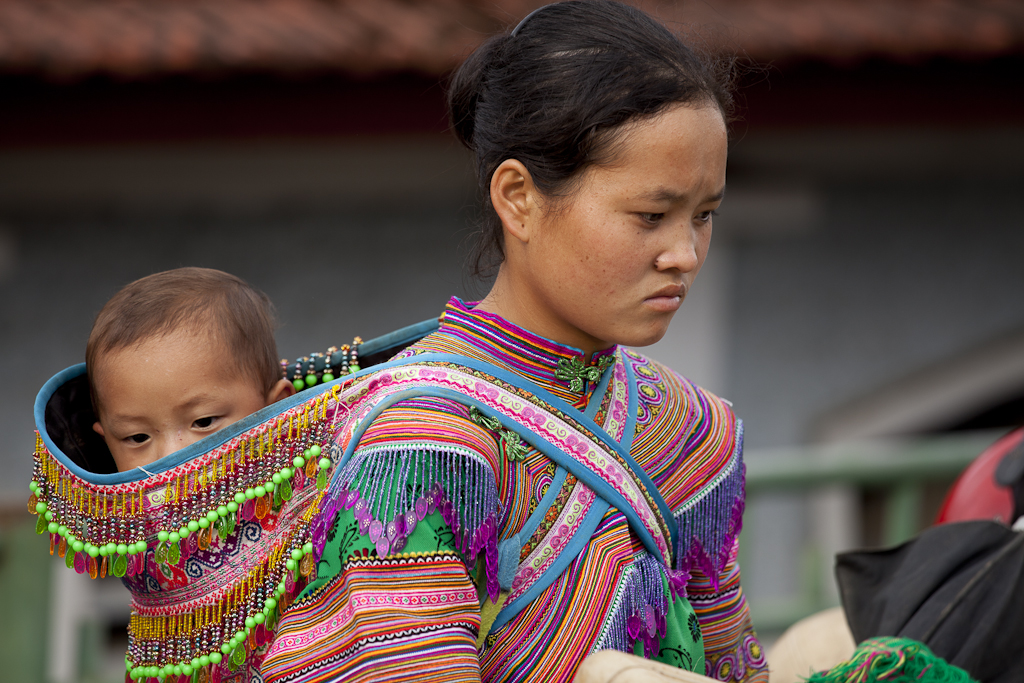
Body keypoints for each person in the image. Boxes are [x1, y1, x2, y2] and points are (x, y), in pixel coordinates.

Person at [260, 2, 766, 681]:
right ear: (519, 198)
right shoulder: (421, 440)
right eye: (651, 215)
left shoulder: (689, 430)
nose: (684, 253)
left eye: (703, 215)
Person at [85, 267, 296, 473]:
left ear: (279, 410)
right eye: (138, 437)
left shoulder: (320, 499)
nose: (172, 459)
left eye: (203, 422)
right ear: (106, 442)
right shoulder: (91, 507)